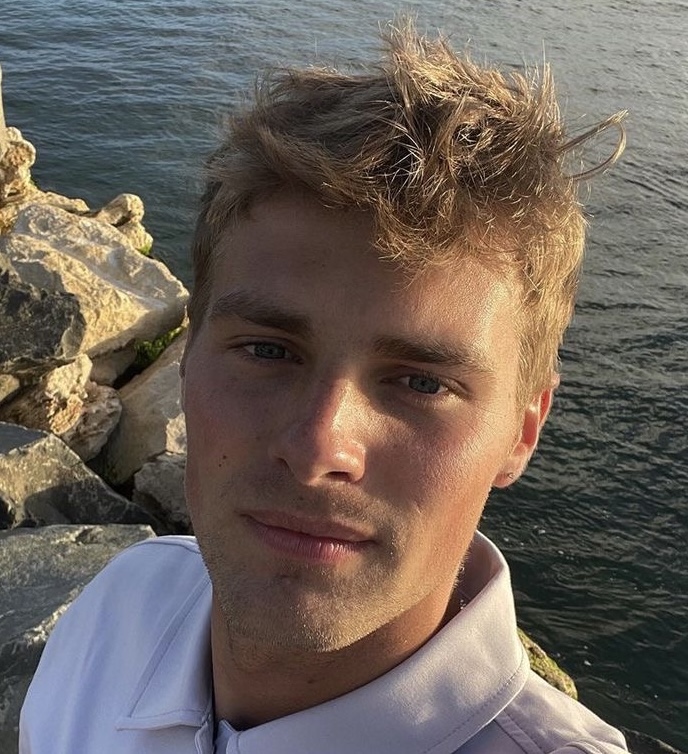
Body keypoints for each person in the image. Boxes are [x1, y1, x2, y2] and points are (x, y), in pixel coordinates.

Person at [19, 21, 627, 754]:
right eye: (268, 350)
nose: (317, 448)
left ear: (522, 433)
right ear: (187, 357)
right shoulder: (117, 607)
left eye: (422, 383)